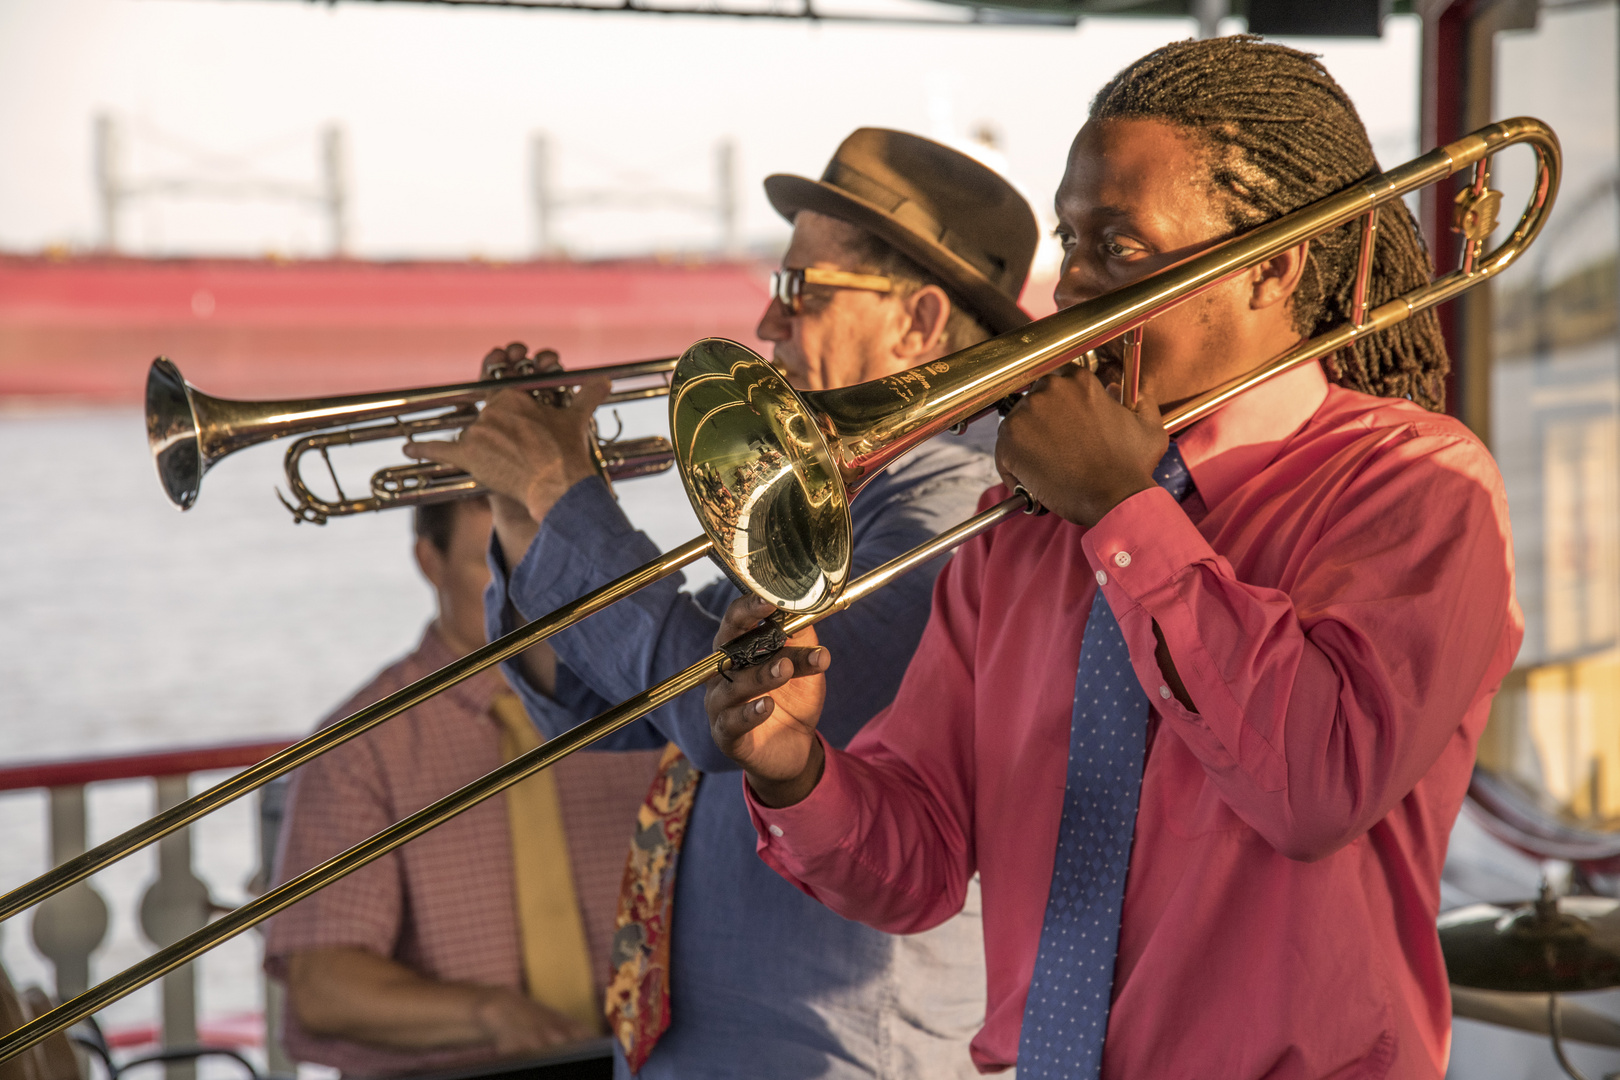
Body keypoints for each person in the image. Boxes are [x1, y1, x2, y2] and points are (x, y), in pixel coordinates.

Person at [704, 38, 1523, 1080]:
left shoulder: (1413, 483)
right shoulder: (1023, 531)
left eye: (1120, 247)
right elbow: (915, 869)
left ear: (1274, 262)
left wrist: (1123, 511)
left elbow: (1316, 786)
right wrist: (795, 769)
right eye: (1070, 241)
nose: (1074, 286)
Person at [410, 129, 1039, 1078]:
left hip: (843, 1051)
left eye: (800, 290)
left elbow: (726, 718)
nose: (769, 324)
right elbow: (592, 709)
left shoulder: (957, 503)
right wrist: (521, 514)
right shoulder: (838, 499)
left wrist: (563, 495)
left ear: (916, 322)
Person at [264, 495, 662, 1077]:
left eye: (539, 561)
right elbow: (323, 986)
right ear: (430, 561)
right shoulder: (360, 747)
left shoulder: (640, 711)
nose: (523, 592)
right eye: (492, 564)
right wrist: (490, 1015)